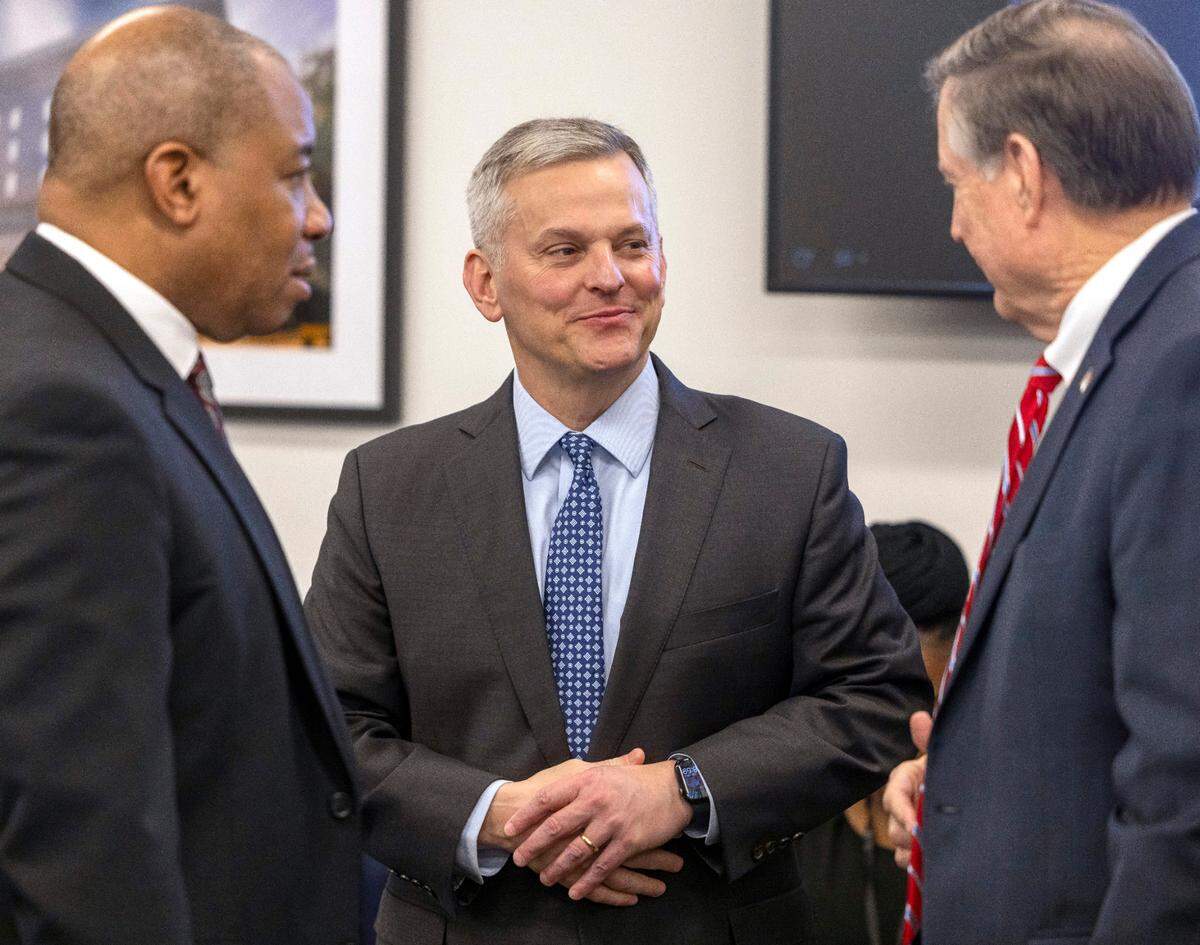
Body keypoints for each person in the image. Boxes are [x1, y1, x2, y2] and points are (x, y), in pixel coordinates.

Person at [306, 116, 932, 945]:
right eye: (565, 250)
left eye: (633, 244)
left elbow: (876, 698)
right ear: (485, 283)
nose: (610, 277)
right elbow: (325, 731)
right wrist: (498, 815)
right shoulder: (388, 486)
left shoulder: (789, 469)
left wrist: (683, 789)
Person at [0, 8, 360, 944]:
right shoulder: (65, 407)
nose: (317, 215)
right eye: (295, 173)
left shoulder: (85, 362)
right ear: (179, 182)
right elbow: (85, 838)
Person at [881, 2, 1200, 943]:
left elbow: (1184, 774)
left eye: (956, 183)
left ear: (1022, 173)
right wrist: (967, 789)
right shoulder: (1133, 348)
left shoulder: (1181, 365)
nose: (953, 226)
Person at [801, 522, 967, 945]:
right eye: (878, 698)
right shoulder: (793, 801)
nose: (900, 730)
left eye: (923, 701)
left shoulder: (980, 825)